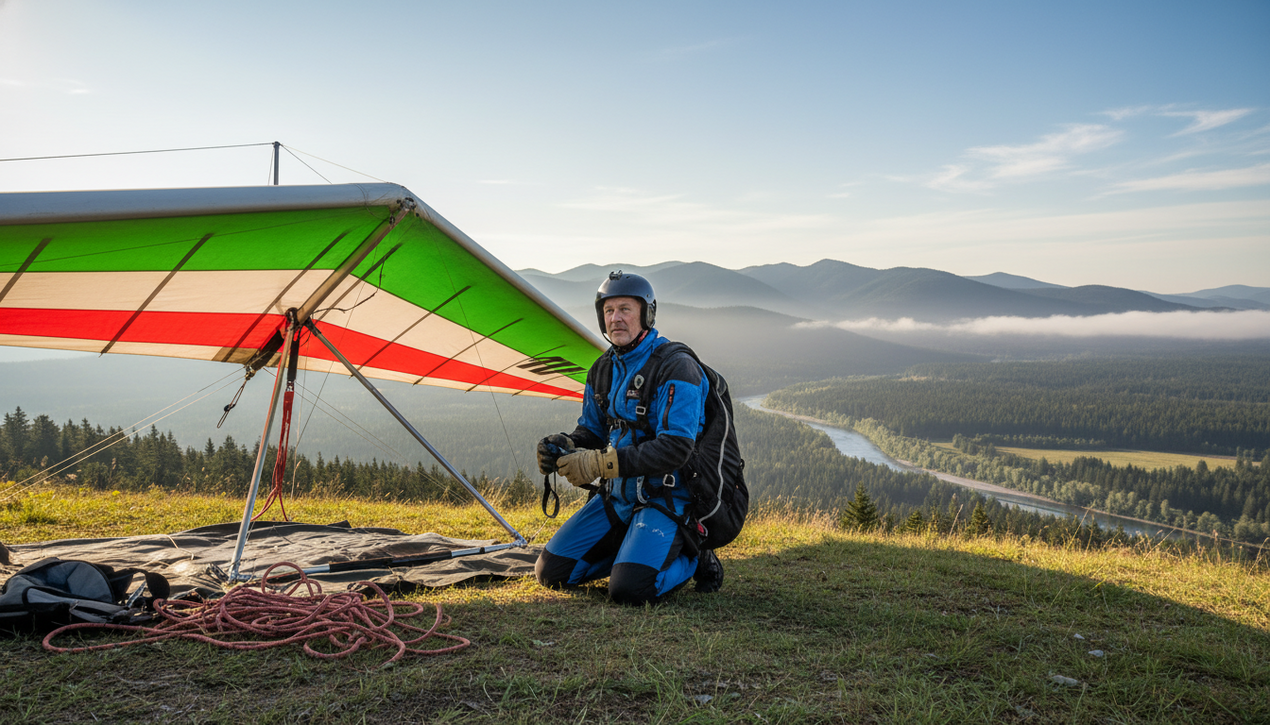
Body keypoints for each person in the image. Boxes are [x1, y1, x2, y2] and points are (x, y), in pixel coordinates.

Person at [534, 271, 724, 605]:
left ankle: (694, 556)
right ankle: (631, 553)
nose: (615, 318)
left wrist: (599, 463)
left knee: (630, 590)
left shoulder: (677, 367)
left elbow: (677, 448)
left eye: (625, 309)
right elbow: (591, 432)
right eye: (608, 311)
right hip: (618, 497)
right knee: (552, 573)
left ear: (646, 314)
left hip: (665, 498)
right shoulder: (601, 370)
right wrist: (566, 444)